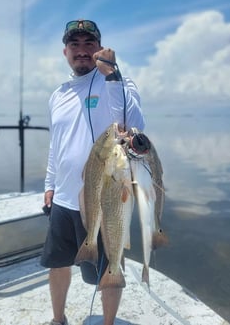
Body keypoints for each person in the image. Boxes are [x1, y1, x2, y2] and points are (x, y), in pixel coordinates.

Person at [40, 19, 145, 325]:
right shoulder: (57, 95)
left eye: (89, 44)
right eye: (75, 45)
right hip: (63, 201)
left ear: (100, 48)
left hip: (105, 201)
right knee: (57, 265)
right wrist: (49, 184)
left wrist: (112, 75)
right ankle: (58, 320)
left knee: (110, 267)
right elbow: (55, 145)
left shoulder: (118, 83)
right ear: (65, 52)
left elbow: (132, 123)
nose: (82, 51)